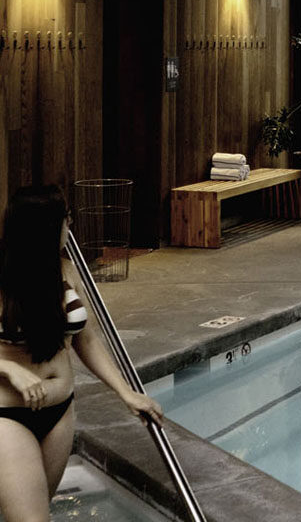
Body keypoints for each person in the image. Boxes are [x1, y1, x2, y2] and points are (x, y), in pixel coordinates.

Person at [0, 185, 163, 522]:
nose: (70, 225)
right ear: (44, 227)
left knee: (35, 510)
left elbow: (85, 340)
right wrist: (8, 369)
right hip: (8, 415)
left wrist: (125, 392)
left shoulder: (66, 270)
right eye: (65, 219)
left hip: (59, 412)